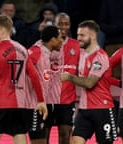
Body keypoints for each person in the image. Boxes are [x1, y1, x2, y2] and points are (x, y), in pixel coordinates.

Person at [0, 15, 48, 144]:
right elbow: (34, 76)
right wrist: (40, 100)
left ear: (2, 31)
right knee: (19, 135)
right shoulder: (22, 49)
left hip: (0, 102)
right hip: (20, 105)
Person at [60, 20, 117, 144]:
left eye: (82, 35)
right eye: (77, 35)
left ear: (92, 36)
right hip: (85, 109)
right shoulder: (81, 53)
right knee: (75, 141)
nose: (78, 38)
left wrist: (69, 77)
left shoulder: (100, 57)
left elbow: (89, 83)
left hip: (102, 109)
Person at [46, 12, 80, 144]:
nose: (63, 27)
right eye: (60, 24)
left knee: (65, 136)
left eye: (66, 24)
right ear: (54, 25)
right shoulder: (45, 45)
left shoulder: (76, 46)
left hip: (67, 99)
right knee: (44, 136)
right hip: (48, 98)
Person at [27, 25, 63, 144]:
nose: (61, 41)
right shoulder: (37, 51)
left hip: (39, 105)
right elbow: (21, 69)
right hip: (33, 105)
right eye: (59, 38)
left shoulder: (46, 53)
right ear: (52, 40)